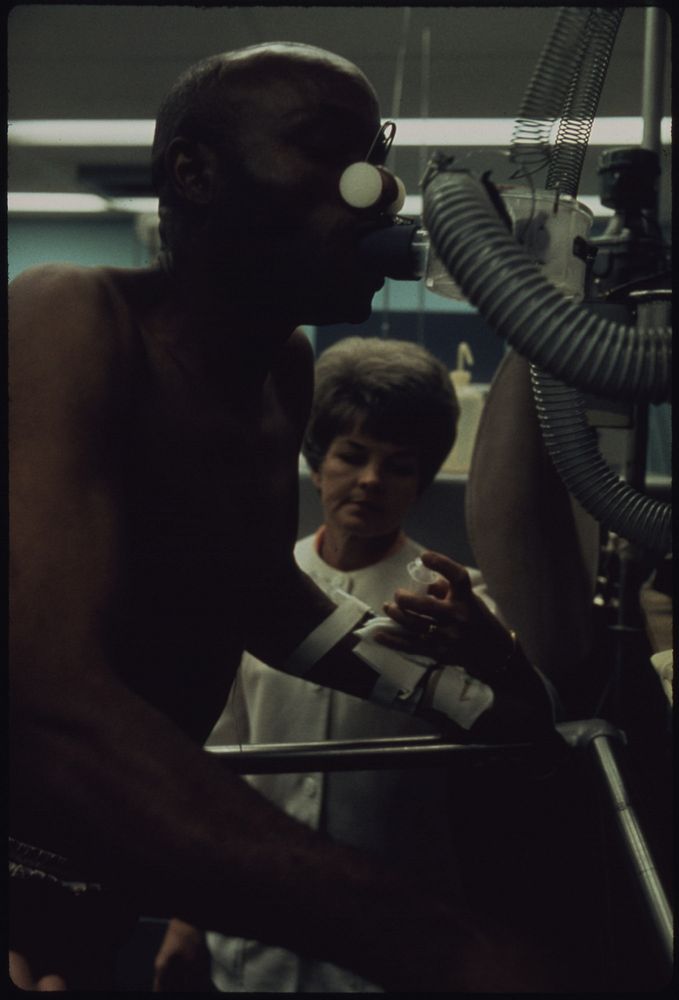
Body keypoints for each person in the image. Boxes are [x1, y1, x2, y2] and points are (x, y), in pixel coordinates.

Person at [9, 42, 557, 992]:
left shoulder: (284, 366)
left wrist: (456, 690)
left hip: (106, 861)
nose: (376, 193)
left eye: (375, 158)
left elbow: (257, 591)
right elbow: (48, 698)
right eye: (326, 150)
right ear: (196, 173)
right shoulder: (71, 318)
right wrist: (433, 940)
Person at [153, 335, 508, 992]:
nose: (371, 479)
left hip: (390, 949)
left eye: (398, 465)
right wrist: (187, 916)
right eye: (352, 454)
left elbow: (510, 742)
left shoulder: (455, 608)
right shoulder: (255, 583)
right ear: (316, 465)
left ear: (421, 481)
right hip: (252, 940)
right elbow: (215, 763)